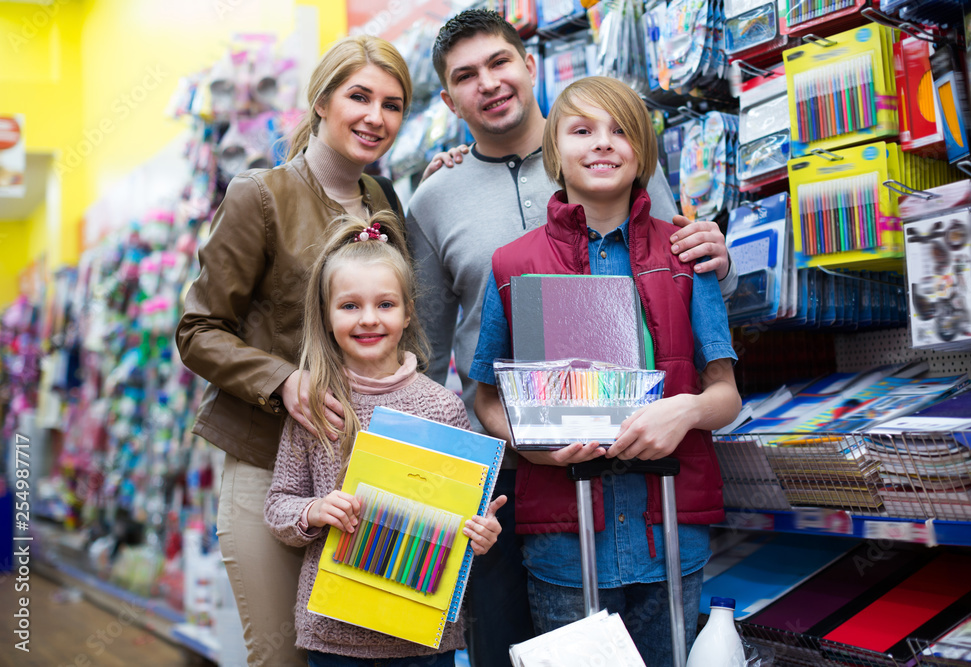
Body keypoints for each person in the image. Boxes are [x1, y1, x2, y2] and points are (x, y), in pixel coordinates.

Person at [405, 9, 737, 665]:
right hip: (521, 478)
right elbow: (430, 354)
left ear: (530, 66)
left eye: (499, 62)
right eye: (467, 76)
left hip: (655, 492)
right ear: (447, 99)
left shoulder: (625, 176)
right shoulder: (435, 197)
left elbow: (672, 283)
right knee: (515, 643)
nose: (489, 83)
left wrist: (714, 259)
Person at [176, 36, 411, 666]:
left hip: (359, 479)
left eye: (392, 104)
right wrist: (283, 379)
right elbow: (198, 330)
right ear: (321, 101)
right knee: (280, 658)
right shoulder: (260, 196)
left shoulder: (386, 204)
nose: (375, 117)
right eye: (358, 96)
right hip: (265, 465)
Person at [263, 210, 505, 666]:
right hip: (334, 637)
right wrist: (314, 510)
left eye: (386, 305)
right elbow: (279, 504)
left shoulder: (443, 407)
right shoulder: (315, 405)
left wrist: (480, 533)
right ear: (326, 313)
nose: (368, 320)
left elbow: (464, 524)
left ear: (409, 311)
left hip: (422, 636)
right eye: (350, 305)